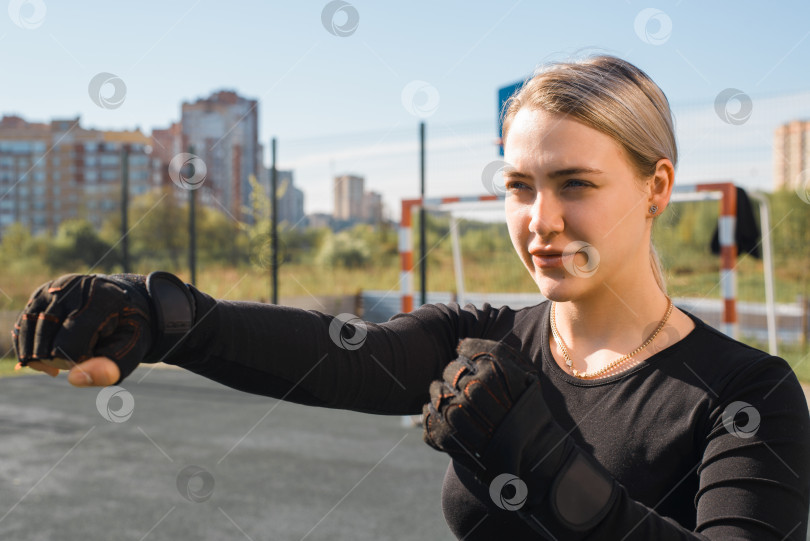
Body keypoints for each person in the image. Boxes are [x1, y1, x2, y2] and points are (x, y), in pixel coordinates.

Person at [13, 55, 810, 539]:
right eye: (520, 186)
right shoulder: (487, 342)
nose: (542, 219)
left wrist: (553, 474)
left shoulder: (748, 393)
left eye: (577, 183)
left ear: (656, 187)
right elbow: (343, 357)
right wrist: (168, 318)